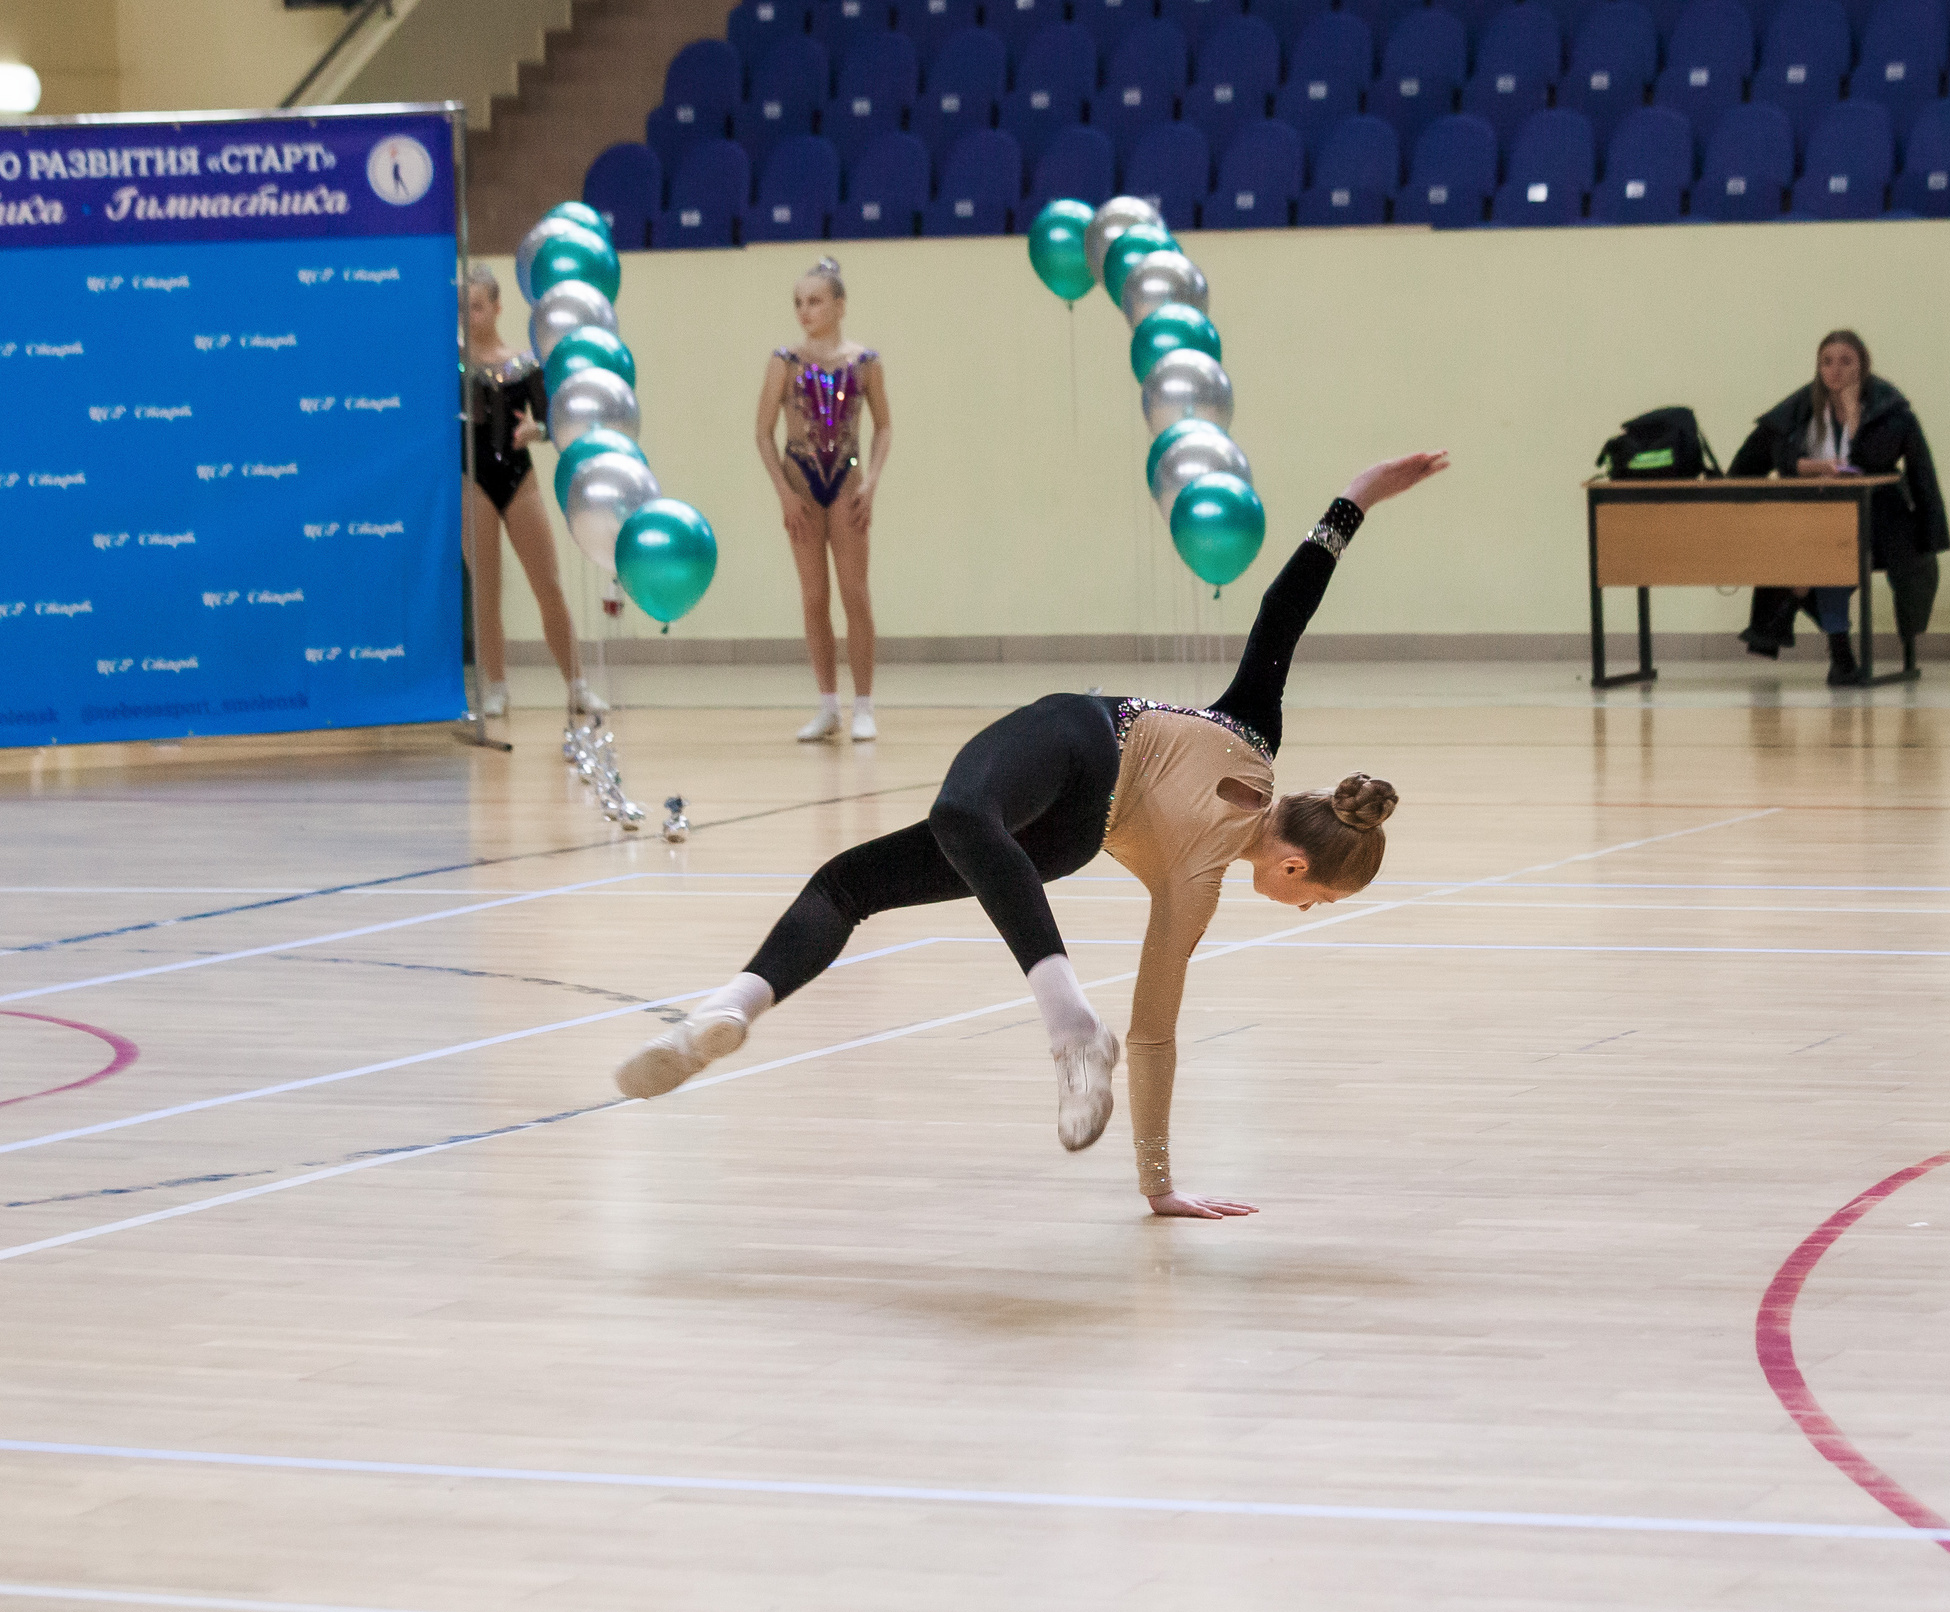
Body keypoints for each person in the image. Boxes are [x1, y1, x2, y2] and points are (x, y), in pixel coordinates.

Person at [616, 451, 1452, 1218]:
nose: (1303, 910)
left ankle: (1070, 1029)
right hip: (1072, 825)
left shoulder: (1255, 735)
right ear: (1297, 862)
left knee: (952, 821)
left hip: (1077, 745)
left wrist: (1359, 495)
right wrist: (1158, 1185)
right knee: (852, 880)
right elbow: (1156, 1036)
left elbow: (1285, 608)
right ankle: (722, 1014)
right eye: (1317, 898)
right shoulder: (1192, 889)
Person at [1731, 329, 1950, 685]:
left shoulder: (1889, 411)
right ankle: (1840, 653)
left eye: (1846, 361)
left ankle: (1840, 652)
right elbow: (1770, 456)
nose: (1835, 370)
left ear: (1862, 366)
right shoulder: (1802, 409)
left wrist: (1851, 415)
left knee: (1832, 561)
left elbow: (1896, 466)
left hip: (1878, 521)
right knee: (1810, 565)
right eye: (1827, 362)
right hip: (1813, 519)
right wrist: (1812, 468)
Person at [754, 257, 893, 743]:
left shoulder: (865, 361)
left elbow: (884, 426)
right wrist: (784, 494)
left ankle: (865, 705)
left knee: (855, 593)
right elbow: (762, 432)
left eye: (814, 301)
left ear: (839, 304)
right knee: (814, 596)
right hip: (802, 482)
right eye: (798, 302)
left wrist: (872, 482)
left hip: (848, 483)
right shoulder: (784, 361)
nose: (804, 310)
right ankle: (827, 704)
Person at [461, 266, 605, 719]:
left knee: (548, 584)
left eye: (478, 306)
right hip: (472, 481)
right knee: (486, 589)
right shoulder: (450, 364)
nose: (469, 314)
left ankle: (577, 684)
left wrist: (536, 430)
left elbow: (552, 423)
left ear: (498, 307)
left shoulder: (523, 363)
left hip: (518, 481)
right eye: (462, 307)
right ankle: (497, 685)